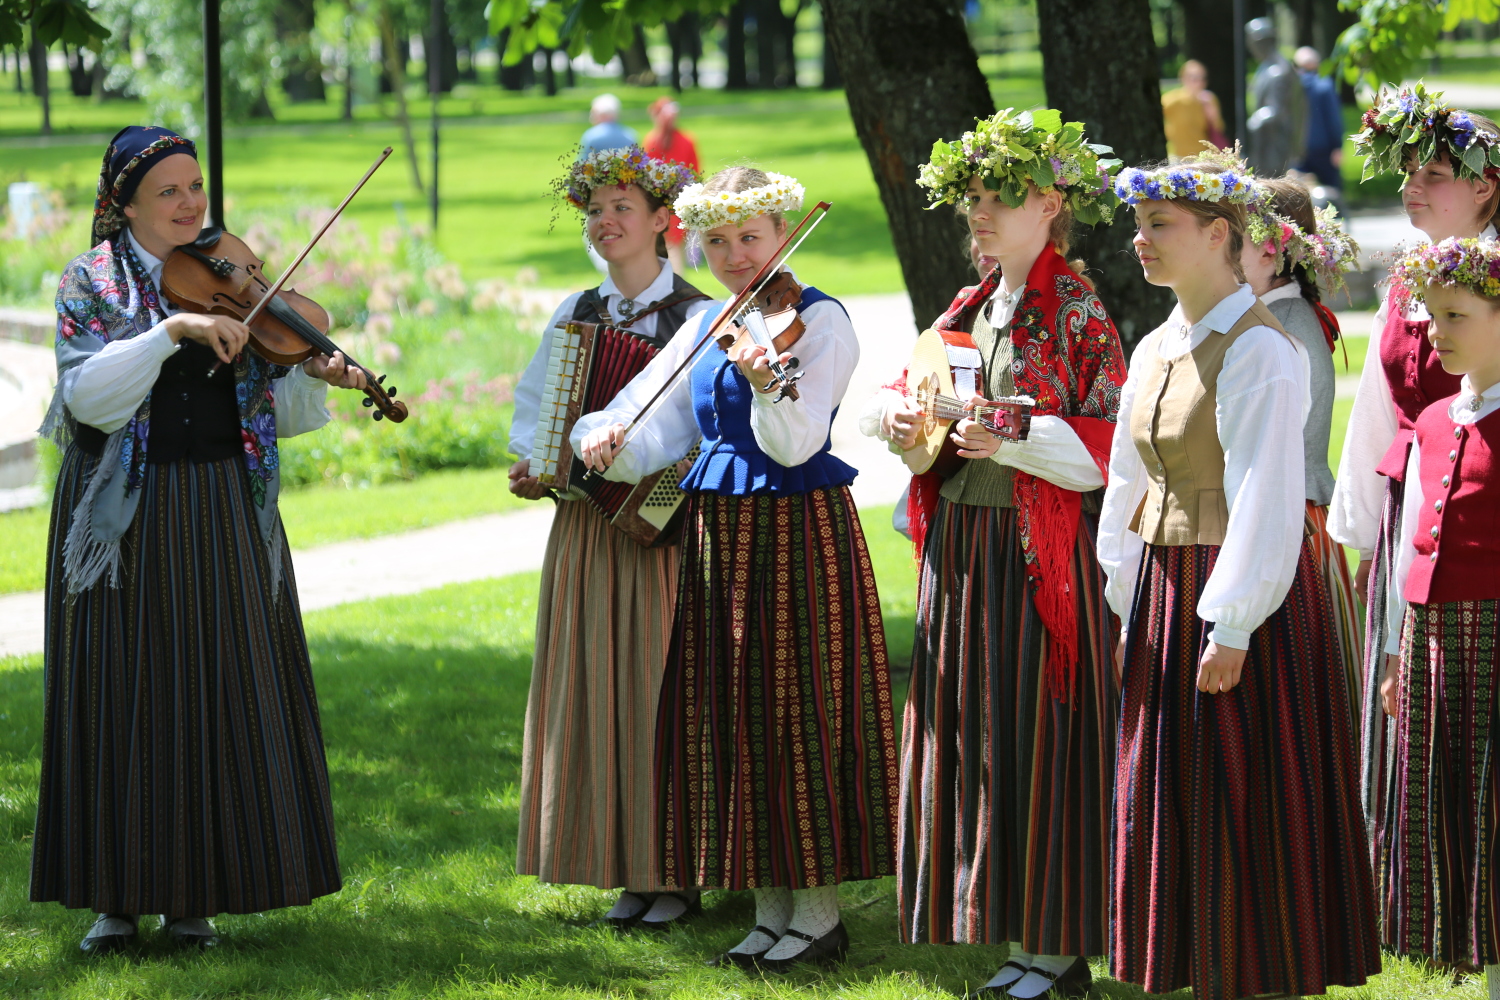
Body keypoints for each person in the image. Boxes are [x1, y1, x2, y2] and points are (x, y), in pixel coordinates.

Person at [30, 125, 366, 953]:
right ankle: (113, 901)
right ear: (125, 205)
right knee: (117, 690)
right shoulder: (90, 281)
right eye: (169, 191)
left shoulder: (231, 273)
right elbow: (88, 400)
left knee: (214, 691)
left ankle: (196, 901)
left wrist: (309, 371)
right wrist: (169, 331)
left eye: (196, 186)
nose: (190, 204)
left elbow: (277, 415)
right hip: (122, 515)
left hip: (220, 502)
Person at [575, 167, 900, 973]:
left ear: (783, 232)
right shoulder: (710, 322)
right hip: (720, 534)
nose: (734, 255)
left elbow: (795, 441)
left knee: (798, 714)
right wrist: (605, 434)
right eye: (717, 241)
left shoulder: (821, 320)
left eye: (750, 237)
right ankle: (768, 913)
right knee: (734, 714)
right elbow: (655, 413)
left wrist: (764, 381)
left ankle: (818, 919)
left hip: (795, 530)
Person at [1101, 153, 1380, 1000]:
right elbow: (1127, 482)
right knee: (1170, 797)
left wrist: (1232, 622)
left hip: (1239, 597)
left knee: (1240, 798)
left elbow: (1266, 491)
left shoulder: (1260, 348)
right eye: (1139, 224)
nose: (1141, 240)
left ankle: (1252, 975)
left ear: (1219, 234)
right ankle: (1199, 971)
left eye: (1160, 225)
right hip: (1166, 587)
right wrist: (1127, 601)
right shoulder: (1157, 343)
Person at [862, 108, 1126, 1000]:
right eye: (971, 198)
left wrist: (1007, 435)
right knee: (977, 738)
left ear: (1050, 204)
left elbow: (1109, 446)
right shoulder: (969, 306)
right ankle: (1015, 937)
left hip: (1036, 555)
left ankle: (1058, 949)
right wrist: (900, 415)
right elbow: (912, 391)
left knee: (1039, 738)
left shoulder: (1077, 307)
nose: (979, 212)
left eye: (998, 197)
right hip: (964, 551)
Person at [507, 146, 711, 930]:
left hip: (663, 526)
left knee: (657, 687)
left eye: (623, 207)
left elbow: (703, 424)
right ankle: (620, 862)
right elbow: (538, 403)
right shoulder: (577, 311)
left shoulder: (697, 316)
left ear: (663, 220)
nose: (606, 221)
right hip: (585, 526)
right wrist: (536, 464)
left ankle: (673, 870)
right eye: (595, 210)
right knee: (594, 685)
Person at [1330, 85, 1500, 840]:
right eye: (1408, 172)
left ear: (1484, 187)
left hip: (1481, 512)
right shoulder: (1407, 278)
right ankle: (1403, 863)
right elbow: (1378, 404)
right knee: (1401, 697)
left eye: (1434, 173)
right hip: (1409, 511)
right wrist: (1359, 530)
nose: (1412, 186)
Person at [1379, 237, 1500, 994]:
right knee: (1450, 803)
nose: (1435, 331)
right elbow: (1410, 545)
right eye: (1430, 315)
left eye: (1456, 315)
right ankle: (1472, 956)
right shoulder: (1431, 420)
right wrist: (1399, 649)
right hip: (1434, 636)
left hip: (1492, 634)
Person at [1241, 175, 1365, 711]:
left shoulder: (1283, 326)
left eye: (1231, 236)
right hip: (1280, 520)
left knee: (1288, 700)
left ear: (1273, 252)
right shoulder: (1269, 316)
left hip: (1287, 529)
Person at [643, 97, 701, 275]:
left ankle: (673, 279)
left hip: (662, 198)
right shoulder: (687, 140)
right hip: (683, 196)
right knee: (675, 244)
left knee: (669, 244)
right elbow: (695, 172)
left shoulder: (652, 140)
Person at [1245, 17, 1307, 176]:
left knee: (1272, 184)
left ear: (1261, 42)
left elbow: (1276, 110)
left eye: (1251, 42)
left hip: (1275, 145)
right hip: (1267, 142)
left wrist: (1255, 120)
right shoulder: (1266, 67)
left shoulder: (1278, 71)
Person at [1294, 47, 1345, 189]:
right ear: (1317, 64)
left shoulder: (1291, 88)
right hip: (1323, 148)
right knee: (1331, 191)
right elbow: (1333, 119)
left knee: (1298, 192)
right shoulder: (1324, 85)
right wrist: (1337, 146)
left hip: (1297, 148)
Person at [1161, 59, 1226, 160]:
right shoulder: (1173, 100)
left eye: (1203, 78)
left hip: (1203, 157)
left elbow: (1219, 128)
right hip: (1180, 157)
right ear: (1183, 78)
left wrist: (1213, 114)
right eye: (1195, 78)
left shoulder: (1209, 99)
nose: (1199, 82)